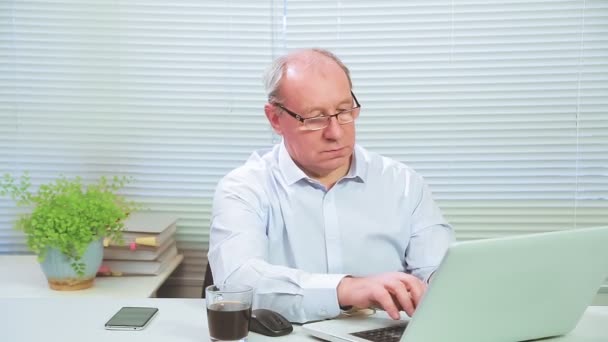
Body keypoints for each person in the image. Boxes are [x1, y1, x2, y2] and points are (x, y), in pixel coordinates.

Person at [208, 48, 454, 323]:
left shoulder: (403, 183)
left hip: (385, 331)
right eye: (315, 118)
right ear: (275, 119)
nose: (335, 133)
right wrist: (345, 289)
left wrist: (441, 282)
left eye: (344, 111)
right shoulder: (244, 188)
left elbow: (440, 269)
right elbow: (237, 283)